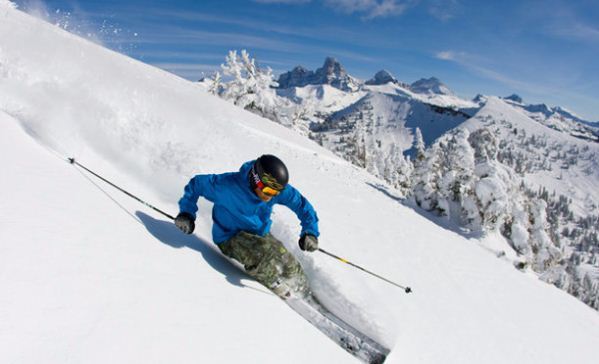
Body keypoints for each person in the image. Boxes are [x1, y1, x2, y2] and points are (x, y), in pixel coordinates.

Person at [174, 154, 320, 298]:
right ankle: (277, 286)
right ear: (257, 180)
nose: (271, 196)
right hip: (230, 237)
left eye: (275, 193)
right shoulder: (227, 185)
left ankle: (302, 288)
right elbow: (197, 184)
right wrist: (187, 213)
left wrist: (310, 231)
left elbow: (301, 205)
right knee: (263, 255)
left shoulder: (273, 187)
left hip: (260, 234)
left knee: (286, 259)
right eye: (269, 191)